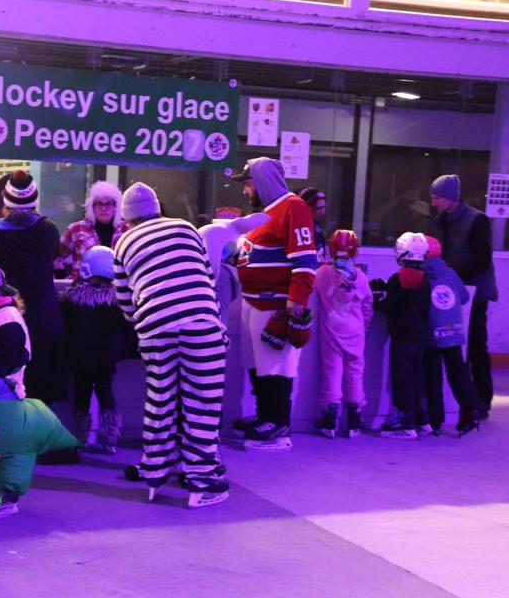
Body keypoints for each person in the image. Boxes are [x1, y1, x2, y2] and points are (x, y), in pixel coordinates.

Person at [113, 182, 229, 508]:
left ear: (127, 218)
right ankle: (201, 480)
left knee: (160, 399)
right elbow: (207, 277)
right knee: (202, 403)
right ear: (157, 209)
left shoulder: (123, 243)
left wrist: (147, 317)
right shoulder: (186, 228)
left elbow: (125, 300)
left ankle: (155, 472)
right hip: (201, 323)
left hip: (155, 327)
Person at [0, 259, 79, 516]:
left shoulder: (8, 316)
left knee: (7, 445)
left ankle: (4, 488)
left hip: (6, 387)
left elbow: (13, 358)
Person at [231, 158, 318, 450]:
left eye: (248, 184)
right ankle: (264, 415)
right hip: (253, 302)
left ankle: (278, 422)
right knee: (257, 364)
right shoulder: (263, 214)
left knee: (276, 366)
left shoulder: (293, 207)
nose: (245, 191)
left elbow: (305, 258)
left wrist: (297, 299)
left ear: (262, 181)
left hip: (274, 305)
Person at [0, 170, 69, 408]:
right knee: (42, 392)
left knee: (6, 391)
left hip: (5, 319)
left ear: (5, 200)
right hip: (44, 317)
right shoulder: (48, 230)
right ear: (34, 200)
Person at [430, 174, 497, 419]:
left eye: (437, 198)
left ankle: (482, 398)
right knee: (452, 345)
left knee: (476, 344)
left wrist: (456, 280)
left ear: (451, 198)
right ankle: (457, 398)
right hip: (448, 292)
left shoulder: (476, 220)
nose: (433, 202)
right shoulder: (439, 221)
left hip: (474, 292)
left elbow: (483, 258)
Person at [60, 245, 126, 453]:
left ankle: (81, 437)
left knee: (81, 397)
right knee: (106, 395)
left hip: (80, 358)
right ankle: (110, 439)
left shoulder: (71, 299)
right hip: (106, 359)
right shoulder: (116, 301)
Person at [312, 230, 373, 439]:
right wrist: (363, 326)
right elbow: (368, 305)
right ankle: (354, 419)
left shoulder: (322, 273)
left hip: (332, 330)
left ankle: (330, 418)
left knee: (332, 371)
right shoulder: (361, 277)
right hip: (356, 332)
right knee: (355, 373)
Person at [422, 235, 481, 435]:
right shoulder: (450, 273)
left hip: (432, 335)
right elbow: (463, 297)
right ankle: (471, 410)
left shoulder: (421, 276)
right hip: (453, 332)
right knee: (458, 373)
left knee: (432, 377)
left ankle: (434, 420)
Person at [380, 232, 432, 440]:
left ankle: (405, 418)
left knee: (402, 375)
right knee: (417, 374)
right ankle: (422, 417)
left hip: (402, 335)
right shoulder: (426, 280)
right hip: (420, 334)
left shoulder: (397, 279)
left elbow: (390, 307)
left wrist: (377, 300)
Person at [55, 181, 129, 279]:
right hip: (80, 286)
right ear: (92, 207)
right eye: (99, 204)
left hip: (117, 286)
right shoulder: (76, 229)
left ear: (115, 207)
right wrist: (60, 275)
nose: (103, 208)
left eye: (108, 204)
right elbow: (56, 256)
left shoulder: (126, 231)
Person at [295, 186, 328, 263]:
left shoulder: (317, 229)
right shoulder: (301, 231)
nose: (322, 212)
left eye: (323, 208)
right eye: (318, 208)